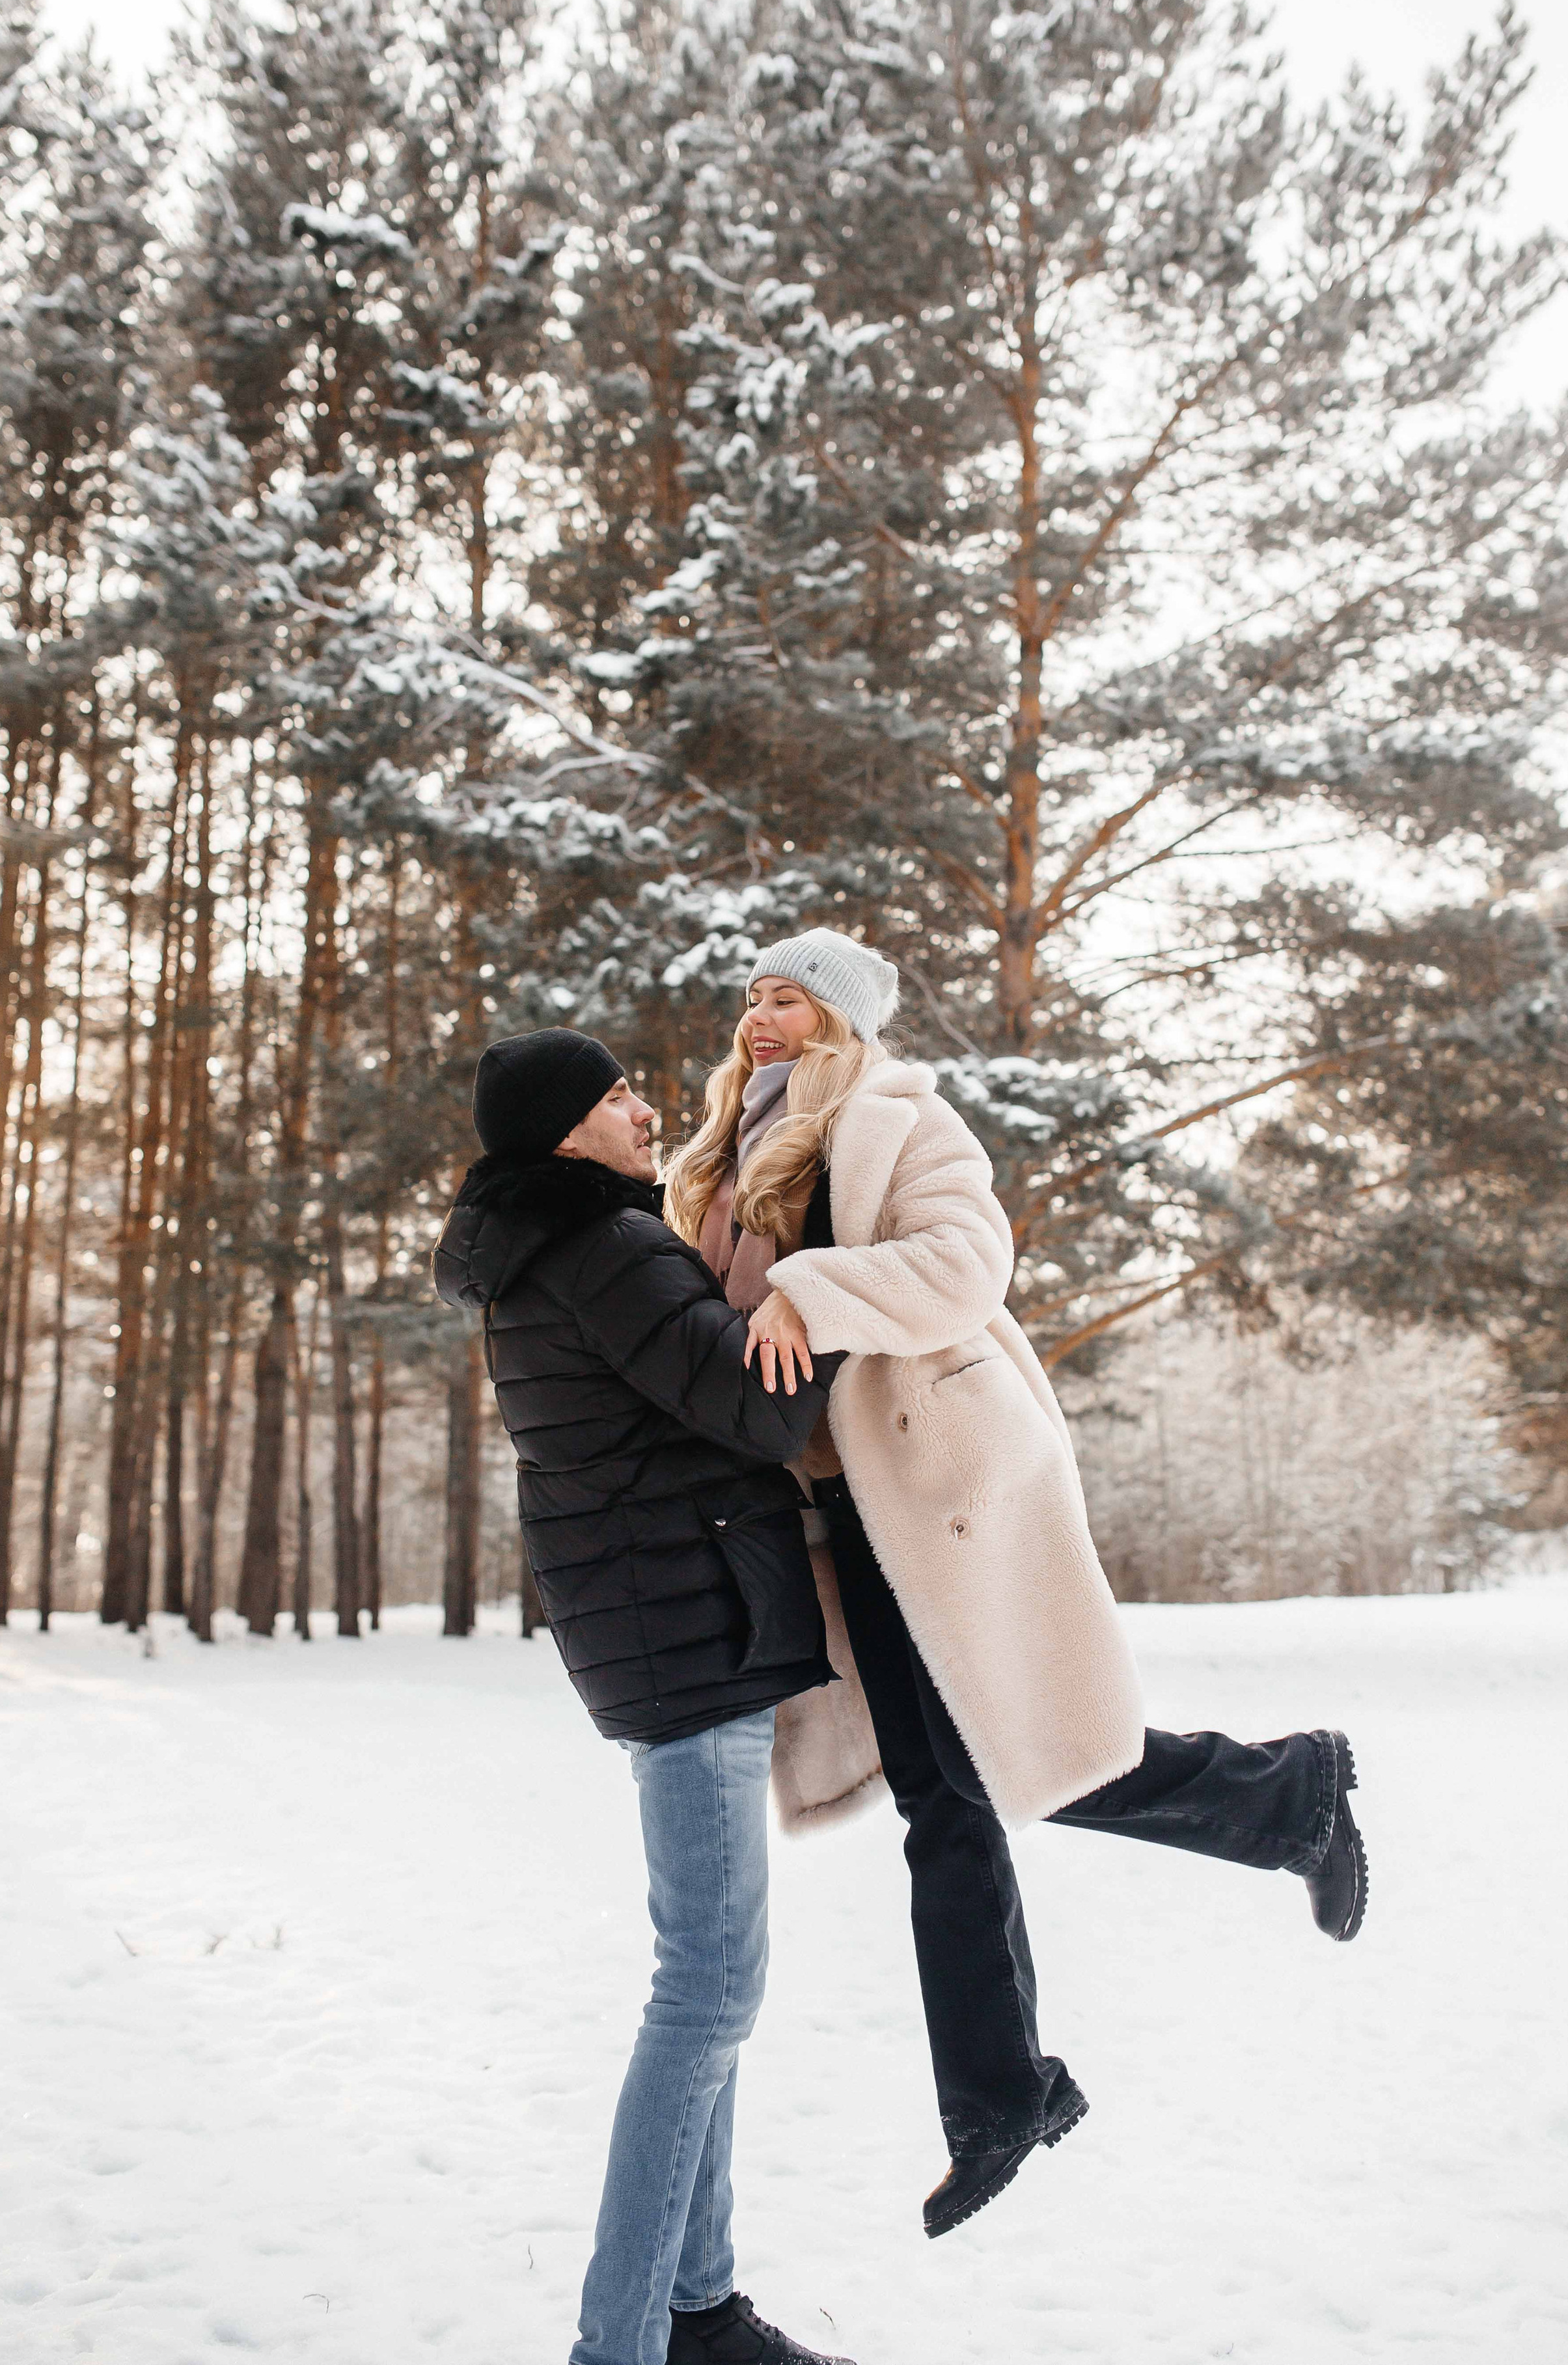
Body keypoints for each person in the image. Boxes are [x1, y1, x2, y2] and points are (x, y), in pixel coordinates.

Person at [663, 929, 1369, 2243]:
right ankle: (1277, 1808)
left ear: (841, 1019)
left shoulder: (895, 1118)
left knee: (976, 1777)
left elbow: (959, 1271)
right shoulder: (714, 1159)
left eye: (789, 999)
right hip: (837, 1509)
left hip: (939, 1485)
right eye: (753, 997)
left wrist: (809, 1289)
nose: (761, 1017)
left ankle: (1007, 2088)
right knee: (957, 1791)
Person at [433, 1027, 857, 2365]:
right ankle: (621, 2342)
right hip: (682, 1636)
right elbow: (757, 1408)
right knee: (707, 1992)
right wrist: (838, 1294)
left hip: (661, 1626)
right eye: (613, 1096)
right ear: (563, 1129)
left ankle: (700, 2313)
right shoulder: (599, 1250)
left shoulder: (552, 1248)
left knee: (713, 1984)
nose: (640, 1109)